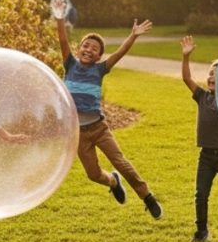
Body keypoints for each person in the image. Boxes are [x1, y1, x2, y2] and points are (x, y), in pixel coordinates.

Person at [55, 14, 163, 219]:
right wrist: (60, 18)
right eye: (86, 46)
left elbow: (121, 52)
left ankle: (147, 197)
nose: (89, 50)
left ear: (99, 57)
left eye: (94, 49)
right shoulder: (70, 64)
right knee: (93, 174)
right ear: (79, 49)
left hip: (98, 128)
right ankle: (113, 182)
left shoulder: (100, 69)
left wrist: (133, 36)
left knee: (120, 162)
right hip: (79, 134)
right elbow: (62, 40)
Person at [181, 36, 218, 242]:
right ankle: (201, 231)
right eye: (210, 74)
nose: (211, 77)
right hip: (206, 156)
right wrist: (186, 56)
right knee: (201, 195)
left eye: (217, 74)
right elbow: (187, 79)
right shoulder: (202, 96)